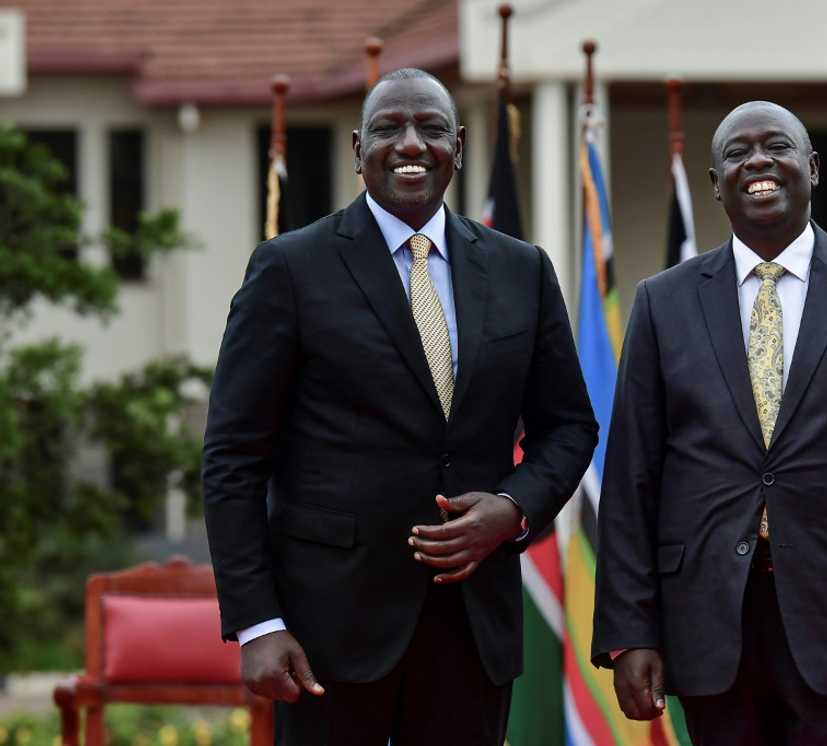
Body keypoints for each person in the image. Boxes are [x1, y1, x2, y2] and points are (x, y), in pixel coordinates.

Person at [201, 68, 597, 745]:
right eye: (389, 128)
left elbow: (569, 426)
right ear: (358, 148)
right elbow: (233, 458)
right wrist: (259, 623)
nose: (410, 143)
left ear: (460, 144)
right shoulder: (290, 269)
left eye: (430, 128)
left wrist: (512, 508)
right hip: (327, 631)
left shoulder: (520, 269)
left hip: (472, 627)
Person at [591, 101, 827, 745]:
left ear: (813, 168)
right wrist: (629, 631)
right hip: (711, 626)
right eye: (737, 153)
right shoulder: (662, 302)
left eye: (778, 147)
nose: (758, 161)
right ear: (715, 184)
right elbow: (631, 478)